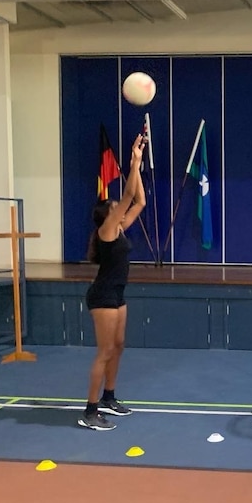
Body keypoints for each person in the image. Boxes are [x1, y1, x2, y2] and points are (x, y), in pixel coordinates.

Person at [78, 134, 147, 431]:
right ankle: (90, 411)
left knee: (118, 346)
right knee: (104, 351)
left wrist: (138, 164)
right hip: (103, 295)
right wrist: (133, 163)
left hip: (117, 294)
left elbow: (139, 201)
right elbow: (129, 196)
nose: (119, 205)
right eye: (114, 205)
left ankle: (109, 397)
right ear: (107, 215)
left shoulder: (119, 229)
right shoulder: (107, 229)